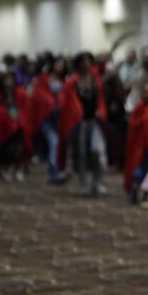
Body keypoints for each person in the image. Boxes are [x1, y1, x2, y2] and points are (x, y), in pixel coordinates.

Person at [57, 52, 107, 195]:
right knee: (82, 153)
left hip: (94, 120)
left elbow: (101, 100)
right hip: (79, 122)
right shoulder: (72, 82)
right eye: (83, 61)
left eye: (88, 61)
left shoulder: (96, 80)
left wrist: (101, 112)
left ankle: (97, 182)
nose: (86, 64)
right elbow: (67, 103)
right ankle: (83, 183)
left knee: (96, 152)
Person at [29, 56, 68, 183]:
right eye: (58, 64)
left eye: (62, 65)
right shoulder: (44, 79)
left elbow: (66, 98)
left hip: (59, 118)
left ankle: (53, 172)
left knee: (56, 145)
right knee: (54, 142)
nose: (60, 67)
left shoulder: (64, 81)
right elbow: (38, 96)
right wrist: (50, 103)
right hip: (46, 117)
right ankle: (54, 172)